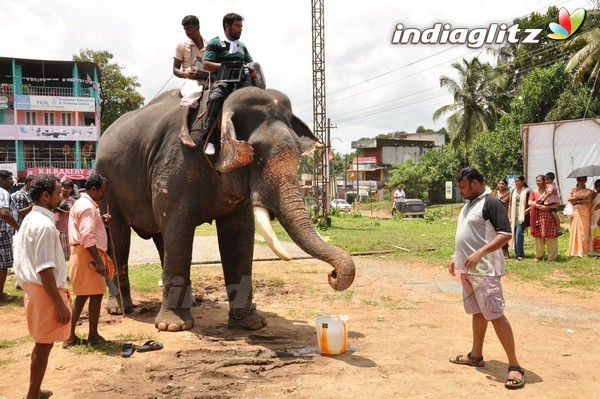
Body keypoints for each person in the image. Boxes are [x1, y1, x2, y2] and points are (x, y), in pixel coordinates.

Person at [448, 167, 525, 390]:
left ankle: (514, 365)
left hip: (485, 269)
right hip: (467, 269)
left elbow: (505, 234)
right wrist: (456, 256)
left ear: (474, 183)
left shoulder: (491, 202)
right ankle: (476, 355)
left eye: (462, 186)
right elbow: (466, 234)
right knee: (477, 312)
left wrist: (481, 252)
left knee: (495, 314)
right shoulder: (468, 204)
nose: (460, 191)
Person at [13, 174, 71, 399]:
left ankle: (34, 391)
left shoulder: (30, 218)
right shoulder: (44, 225)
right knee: (44, 344)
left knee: (42, 343)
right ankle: (32, 395)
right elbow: (45, 268)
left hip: (35, 289)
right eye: (58, 193)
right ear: (45, 196)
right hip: (45, 291)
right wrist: (58, 303)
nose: (62, 196)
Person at [64, 174, 114, 346]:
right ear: (93, 189)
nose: (104, 195)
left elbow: (85, 228)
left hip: (82, 254)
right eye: (102, 191)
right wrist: (98, 262)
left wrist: (100, 221)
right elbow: (86, 236)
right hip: (88, 255)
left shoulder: (82, 203)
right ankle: (92, 335)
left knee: (84, 295)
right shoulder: (88, 207)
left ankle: (70, 335)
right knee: (94, 295)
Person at [201, 12, 253, 155]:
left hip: (243, 82)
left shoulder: (242, 46)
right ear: (227, 26)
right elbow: (206, 64)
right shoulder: (215, 43)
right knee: (216, 98)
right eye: (237, 26)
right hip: (223, 81)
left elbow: (250, 62)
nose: (240, 29)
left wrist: (251, 68)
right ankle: (209, 138)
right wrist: (227, 66)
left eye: (241, 26)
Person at [173, 15, 208, 148]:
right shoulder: (182, 45)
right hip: (191, 79)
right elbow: (175, 70)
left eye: (189, 29)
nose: (187, 32)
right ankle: (184, 130)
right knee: (192, 92)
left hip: (207, 78)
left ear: (197, 27)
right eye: (185, 29)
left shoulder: (209, 45)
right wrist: (185, 74)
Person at [529, 175, 559, 261]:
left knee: (551, 236)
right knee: (538, 236)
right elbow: (529, 202)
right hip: (538, 217)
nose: (538, 182)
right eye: (537, 181)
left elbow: (557, 203)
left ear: (544, 181)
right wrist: (537, 206)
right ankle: (539, 256)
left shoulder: (551, 190)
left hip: (549, 216)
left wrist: (548, 208)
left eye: (540, 180)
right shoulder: (534, 192)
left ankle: (552, 257)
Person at [0, 170, 20, 302]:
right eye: (9, 178)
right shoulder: (3, 192)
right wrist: (19, 228)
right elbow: (5, 213)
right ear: (1, 180)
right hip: (2, 234)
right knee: (3, 265)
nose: (12, 181)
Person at [566, 176, 593, 257]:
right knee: (575, 230)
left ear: (585, 180)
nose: (581, 181)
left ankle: (584, 251)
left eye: (583, 179)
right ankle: (574, 251)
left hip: (584, 213)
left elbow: (589, 200)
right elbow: (569, 199)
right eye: (579, 179)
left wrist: (576, 201)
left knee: (584, 231)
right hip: (576, 212)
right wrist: (580, 198)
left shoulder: (589, 191)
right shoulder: (573, 190)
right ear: (577, 180)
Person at [507, 175, 530, 260]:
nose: (517, 183)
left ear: (523, 181)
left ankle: (520, 254)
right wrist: (509, 216)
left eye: (518, 181)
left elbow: (532, 202)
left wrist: (528, 209)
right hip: (514, 216)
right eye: (515, 181)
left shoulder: (527, 191)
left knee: (519, 234)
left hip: (523, 215)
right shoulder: (513, 191)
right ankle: (518, 252)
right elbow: (510, 204)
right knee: (514, 234)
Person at [54, 179, 76, 261]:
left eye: (68, 188)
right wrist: (57, 208)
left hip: (67, 230)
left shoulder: (73, 202)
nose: (66, 190)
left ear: (71, 190)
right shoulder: (55, 199)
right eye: (64, 187)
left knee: (66, 254)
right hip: (55, 228)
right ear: (61, 187)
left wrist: (68, 210)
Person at [492, 178, 510, 257]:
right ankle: (495, 251)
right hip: (494, 216)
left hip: (504, 216)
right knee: (494, 233)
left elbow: (510, 205)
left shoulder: (508, 194)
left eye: (502, 184)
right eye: (499, 183)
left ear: (505, 185)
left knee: (504, 233)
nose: (501, 185)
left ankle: (505, 251)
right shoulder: (493, 193)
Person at [590, 179, 600, 256]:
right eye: (596, 185)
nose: (598, 187)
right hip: (593, 215)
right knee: (594, 232)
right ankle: (594, 251)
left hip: (599, 216)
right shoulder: (594, 195)